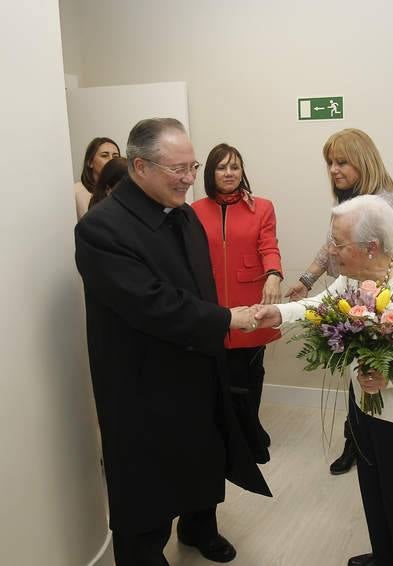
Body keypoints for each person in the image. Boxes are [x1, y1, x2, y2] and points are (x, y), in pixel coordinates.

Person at [75, 118, 270, 566]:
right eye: (177, 169)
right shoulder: (101, 228)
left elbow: (197, 286)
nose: (188, 178)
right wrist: (225, 319)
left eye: (191, 166)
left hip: (198, 361)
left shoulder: (182, 213)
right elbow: (150, 303)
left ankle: (200, 526)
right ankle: (143, 553)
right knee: (145, 480)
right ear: (140, 167)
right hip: (143, 380)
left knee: (204, 451)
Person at [255, 195, 393, 566]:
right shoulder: (355, 276)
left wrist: (390, 374)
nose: (331, 251)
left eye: (338, 243)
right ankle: (386, 557)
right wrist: (278, 313)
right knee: (375, 494)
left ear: (371, 247)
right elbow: (320, 306)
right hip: (366, 407)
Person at [285, 127, 393, 475]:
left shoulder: (383, 201)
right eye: (330, 162)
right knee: (358, 372)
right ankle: (356, 442)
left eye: (342, 161)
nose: (333, 169)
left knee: (375, 372)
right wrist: (306, 281)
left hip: (385, 300)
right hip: (358, 296)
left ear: (362, 161)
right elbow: (330, 245)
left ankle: (369, 442)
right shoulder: (348, 201)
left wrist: (385, 306)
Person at [192, 143, 282, 464]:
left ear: (243, 171)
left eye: (235, 167)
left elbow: (269, 246)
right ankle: (235, 435)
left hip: (251, 305)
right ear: (210, 173)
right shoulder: (193, 211)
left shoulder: (262, 207)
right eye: (222, 167)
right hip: (212, 307)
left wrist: (273, 274)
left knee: (250, 373)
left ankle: (250, 430)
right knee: (222, 377)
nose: (229, 173)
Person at [75, 136, 120, 218]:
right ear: (90, 162)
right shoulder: (76, 192)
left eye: (115, 156)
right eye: (104, 156)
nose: (111, 160)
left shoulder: (121, 190)